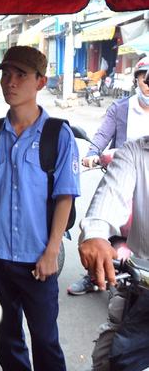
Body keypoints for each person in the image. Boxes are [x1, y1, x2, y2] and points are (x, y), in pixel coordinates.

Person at [0, 46, 80, 371]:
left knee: (45, 338)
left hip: (37, 257)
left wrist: (52, 250)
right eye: (6, 74)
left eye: (21, 75)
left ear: (41, 82)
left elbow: (66, 197)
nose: (11, 82)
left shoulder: (58, 135)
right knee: (6, 337)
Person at [67, 58, 149, 296]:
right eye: (144, 79)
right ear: (137, 79)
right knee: (106, 226)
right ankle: (93, 274)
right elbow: (103, 134)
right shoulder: (123, 112)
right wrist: (93, 153)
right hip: (123, 174)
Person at [78, 137, 149, 371]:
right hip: (140, 288)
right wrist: (96, 234)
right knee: (106, 359)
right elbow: (109, 198)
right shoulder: (136, 151)